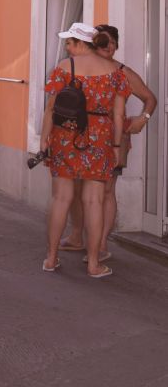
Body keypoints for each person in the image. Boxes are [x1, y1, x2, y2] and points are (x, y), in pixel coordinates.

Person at [60, 23, 157, 259]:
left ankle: (101, 245)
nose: (110, 46)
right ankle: (77, 236)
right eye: (105, 41)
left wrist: (143, 119)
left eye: (114, 43)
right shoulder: (82, 67)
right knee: (77, 188)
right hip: (83, 136)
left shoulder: (122, 72)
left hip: (114, 138)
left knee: (106, 191)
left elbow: (150, 98)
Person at [40, 23, 128, 279]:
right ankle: (93, 264)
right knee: (94, 201)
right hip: (100, 138)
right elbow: (119, 115)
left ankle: (51, 258)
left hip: (65, 135)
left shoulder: (64, 67)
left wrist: (44, 139)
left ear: (81, 43)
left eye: (70, 42)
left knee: (61, 198)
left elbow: (50, 109)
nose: (68, 47)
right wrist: (116, 146)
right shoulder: (115, 72)